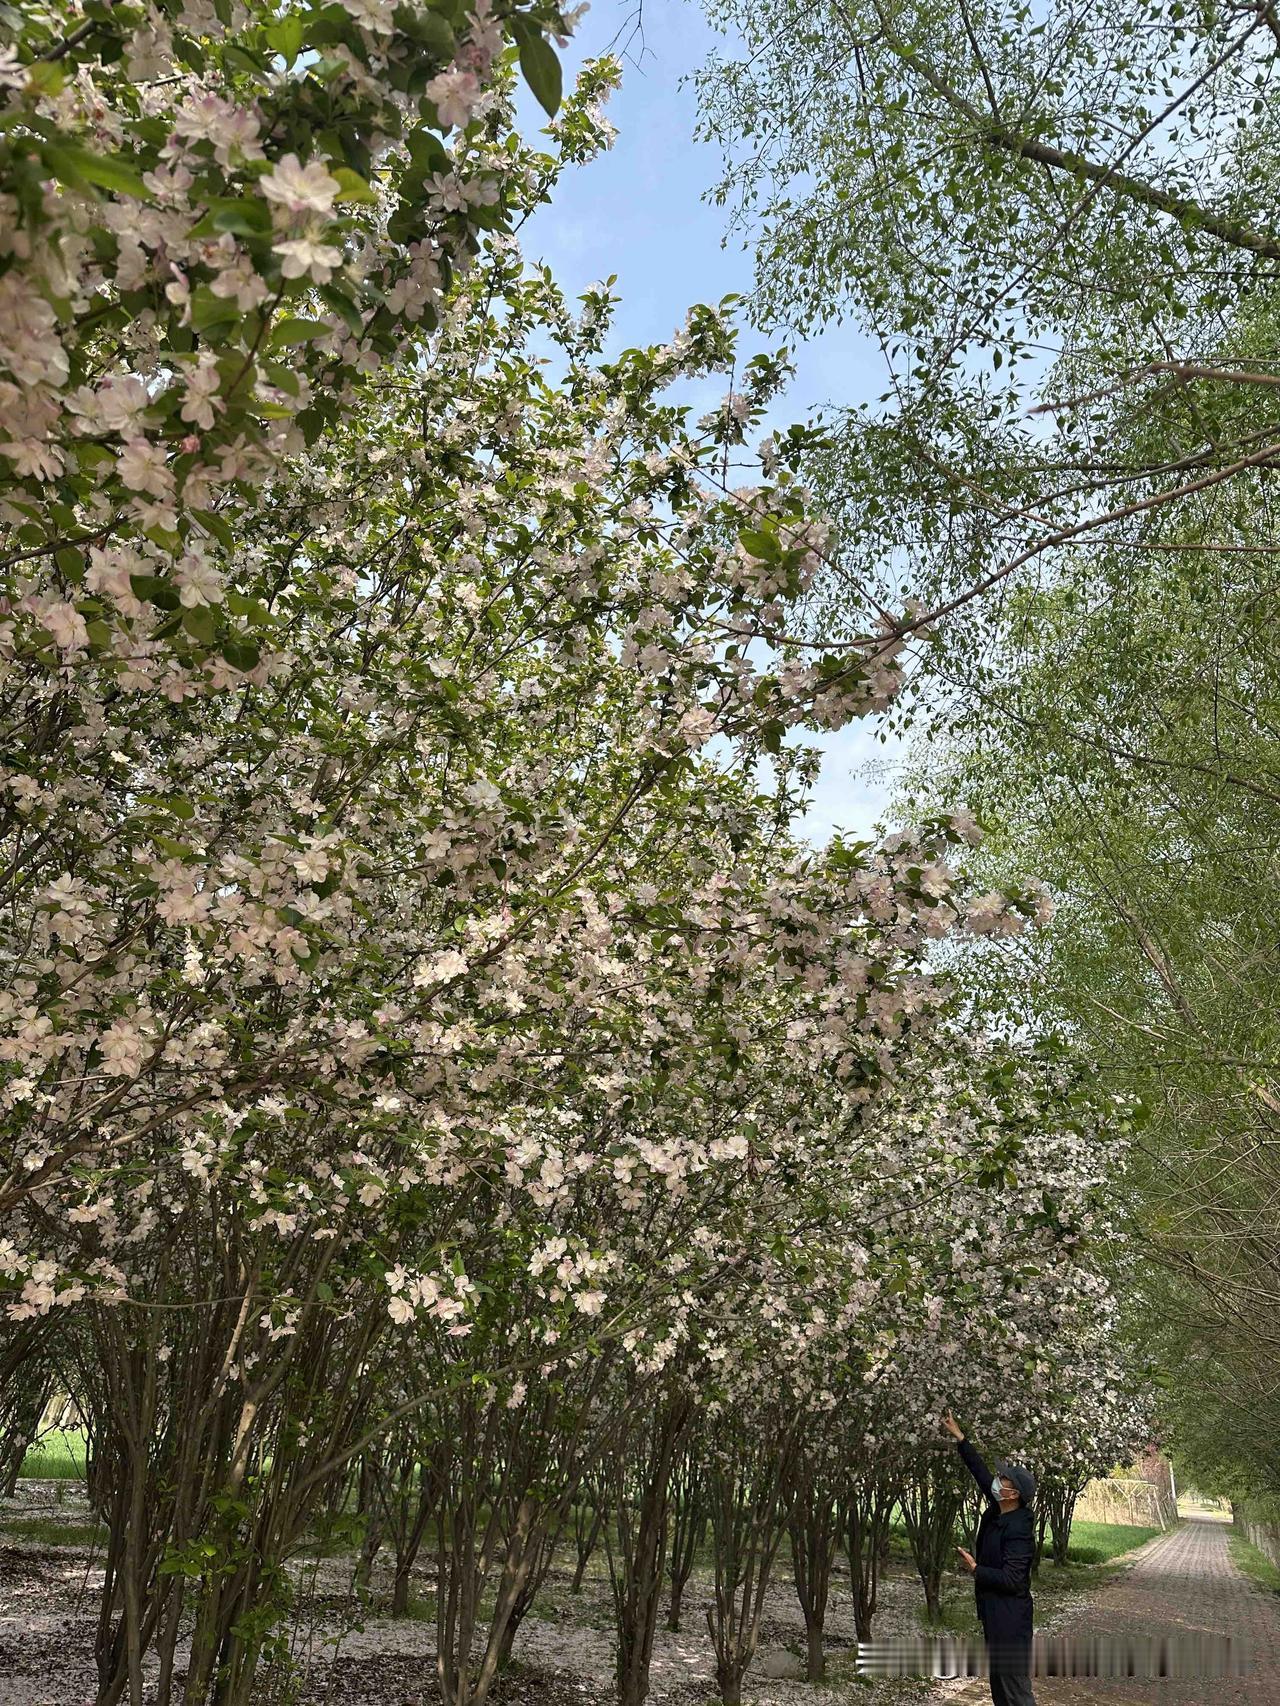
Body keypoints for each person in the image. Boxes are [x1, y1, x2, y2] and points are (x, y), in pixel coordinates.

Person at [942, 1411, 1038, 1706]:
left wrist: (976, 1569)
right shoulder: (1001, 1509)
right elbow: (982, 1475)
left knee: (1016, 1691)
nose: (996, 1481)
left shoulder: (1020, 1529)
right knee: (1000, 1687)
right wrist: (962, 1440)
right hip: (996, 1616)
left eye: (1003, 1479)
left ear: (1013, 1493)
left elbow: (1013, 1579)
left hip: (1010, 1622)